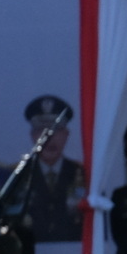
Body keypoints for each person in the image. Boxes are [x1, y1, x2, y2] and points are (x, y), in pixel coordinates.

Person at [18, 95, 84, 245]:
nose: (50, 137)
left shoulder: (82, 174)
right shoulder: (20, 175)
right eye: (42, 129)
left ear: (66, 134)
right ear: (33, 135)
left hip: (73, 251)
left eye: (57, 129)